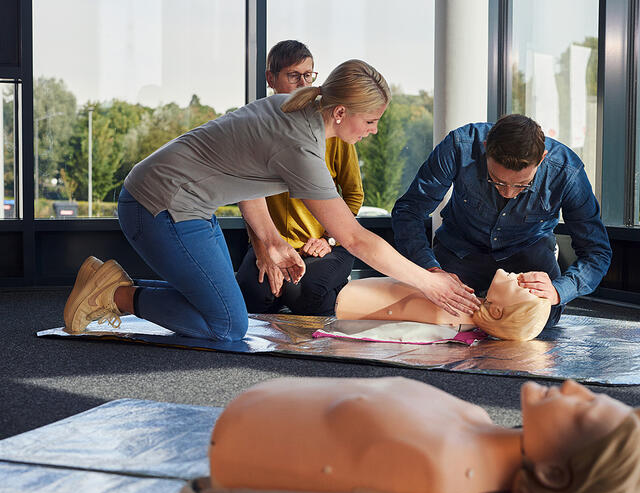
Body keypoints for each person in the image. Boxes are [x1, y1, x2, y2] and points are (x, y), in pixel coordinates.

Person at [63, 59, 480, 340]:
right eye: (370, 121)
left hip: (190, 205)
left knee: (222, 303)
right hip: (158, 204)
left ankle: (108, 281)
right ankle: (113, 295)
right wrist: (429, 281)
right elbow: (354, 238)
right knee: (227, 325)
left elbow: (247, 171)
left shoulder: (294, 107)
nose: (373, 130)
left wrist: (271, 240)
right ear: (340, 113)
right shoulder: (303, 144)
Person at [209, 376, 640, 493]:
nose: (573, 386)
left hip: (241, 430)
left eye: (583, 411)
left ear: (553, 474)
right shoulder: (475, 423)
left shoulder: (434, 470)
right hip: (254, 407)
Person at [391, 114, 612, 329]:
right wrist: (430, 271)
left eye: (522, 185)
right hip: (461, 251)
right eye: (496, 181)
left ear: (542, 158)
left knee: (539, 320)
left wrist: (558, 291)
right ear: (486, 148)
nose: (508, 192)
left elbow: (596, 252)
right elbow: (409, 211)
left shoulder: (567, 171)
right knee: (433, 313)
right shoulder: (459, 146)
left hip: (528, 255)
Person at [236, 40, 364, 316]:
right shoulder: (259, 127)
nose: (303, 84)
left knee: (306, 294)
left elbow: (354, 194)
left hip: (325, 244)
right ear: (271, 79)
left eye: (309, 75)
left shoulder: (333, 131)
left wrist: (329, 239)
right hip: (272, 242)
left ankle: (335, 309)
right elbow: (247, 195)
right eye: (294, 76)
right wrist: (262, 249)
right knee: (254, 294)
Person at [335, 268, 551, 340]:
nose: (522, 276)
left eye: (522, 287)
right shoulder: (462, 304)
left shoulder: (450, 311)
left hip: (349, 299)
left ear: (496, 311)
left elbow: (397, 309)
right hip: (355, 294)